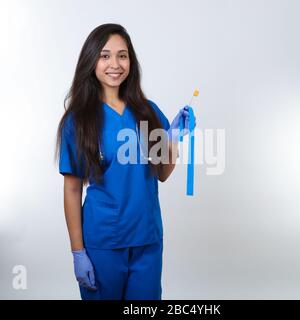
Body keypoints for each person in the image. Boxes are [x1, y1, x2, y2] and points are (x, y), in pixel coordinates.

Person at [55, 23, 196, 300]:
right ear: (91, 61)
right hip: (103, 244)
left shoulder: (148, 111)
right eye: (105, 55)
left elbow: (163, 173)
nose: (115, 64)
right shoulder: (79, 120)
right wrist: (78, 252)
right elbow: (72, 190)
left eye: (123, 55)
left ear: (131, 61)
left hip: (147, 240)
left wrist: (175, 138)